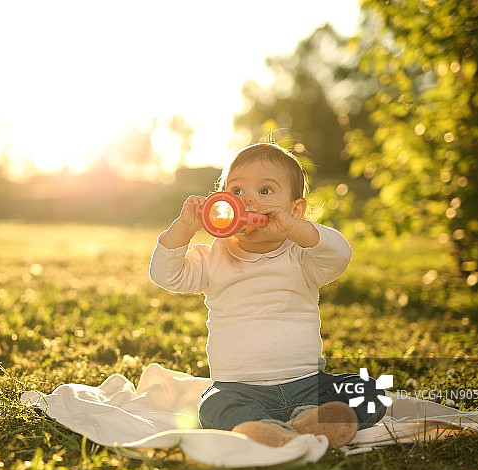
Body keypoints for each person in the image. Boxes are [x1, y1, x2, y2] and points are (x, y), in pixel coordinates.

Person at [148, 142, 387, 448]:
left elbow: (340, 254)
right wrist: (184, 227)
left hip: (309, 386)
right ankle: (267, 429)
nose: (247, 200)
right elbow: (165, 274)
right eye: (236, 191)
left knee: (369, 390)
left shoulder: (303, 257)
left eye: (265, 191)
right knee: (213, 406)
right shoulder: (212, 258)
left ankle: (305, 420)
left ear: (295, 210)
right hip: (239, 389)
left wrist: (297, 230)